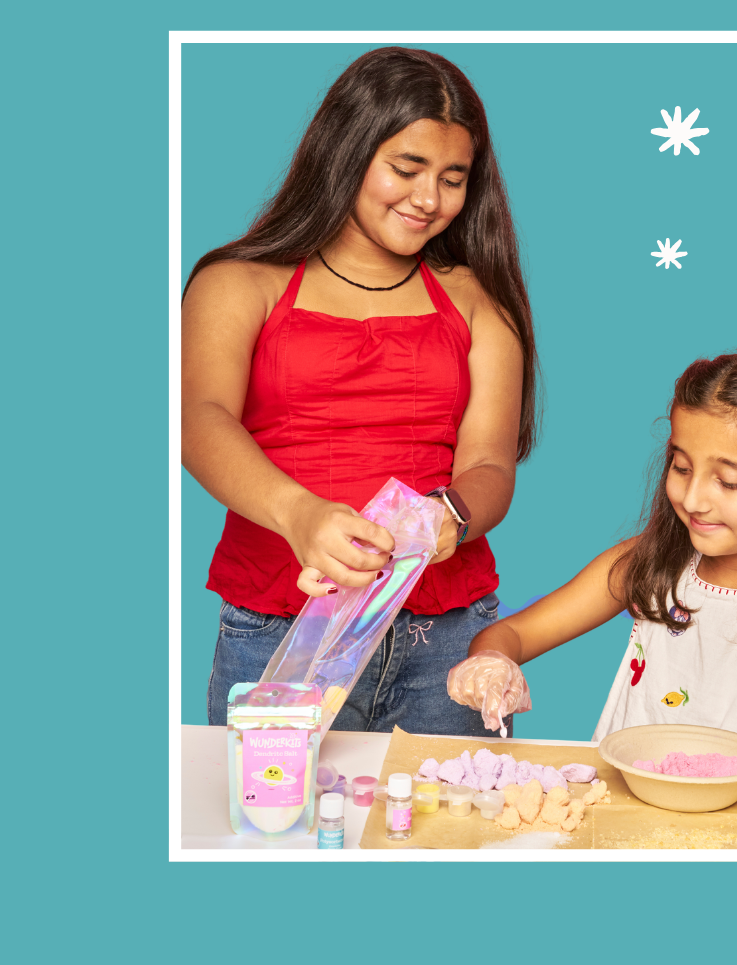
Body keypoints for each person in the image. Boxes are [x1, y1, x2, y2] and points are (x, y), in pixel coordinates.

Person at [182, 46, 538, 735]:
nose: (429, 198)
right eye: (406, 169)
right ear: (345, 150)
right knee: (270, 833)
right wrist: (299, 515)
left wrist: (452, 517)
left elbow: (491, 465)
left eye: (453, 178)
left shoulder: (475, 302)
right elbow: (199, 422)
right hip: (277, 631)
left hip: (444, 639)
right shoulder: (237, 283)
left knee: (451, 832)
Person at [447, 348, 737, 790]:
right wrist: (492, 663)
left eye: (729, 482)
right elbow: (511, 635)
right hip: (624, 828)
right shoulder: (647, 565)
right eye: (682, 466)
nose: (692, 500)